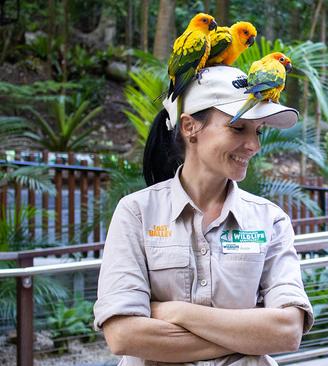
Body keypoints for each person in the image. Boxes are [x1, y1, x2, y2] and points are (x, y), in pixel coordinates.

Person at [93, 65, 314, 366]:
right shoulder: (137, 213)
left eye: (258, 131)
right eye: (238, 127)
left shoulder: (270, 220)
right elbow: (123, 335)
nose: (254, 145)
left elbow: (287, 332)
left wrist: (175, 312)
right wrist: (245, 338)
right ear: (189, 127)